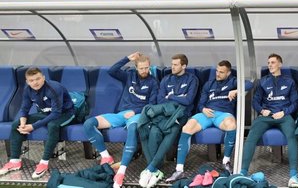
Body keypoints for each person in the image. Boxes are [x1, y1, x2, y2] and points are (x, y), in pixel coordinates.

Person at [166, 60, 254, 183]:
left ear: (228, 73)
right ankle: (179, 170)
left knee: (232, 125)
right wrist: (203, 109)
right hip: (207, 113)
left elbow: (249, 84)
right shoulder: (209, 84)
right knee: (186, 128)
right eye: (217, 71)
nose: (218, 74)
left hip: (223, 114)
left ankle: (226, 161)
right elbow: (201, 103)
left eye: (221, 72)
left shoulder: (233, 81)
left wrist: (237, 90)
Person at [83, 52, 159, 188]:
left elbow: (152, 105)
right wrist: (127, 59)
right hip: (121, 114)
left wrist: (135, 111)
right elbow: (112, 70)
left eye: (147, 68)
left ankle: (121, 171)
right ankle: (106, 156)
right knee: (89, 123)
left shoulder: (153, 82)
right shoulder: (129, 76)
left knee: (133, 128)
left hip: (138, 115)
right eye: (141, 68)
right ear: (136, 67)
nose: (144, 71)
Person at [0, 67, 75, 179]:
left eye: (38, 79)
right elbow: (24, 109)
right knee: (16, 124)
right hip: (46, 113)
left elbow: (55, 114)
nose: (35, 82)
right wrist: (23, 123)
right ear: (27, 82)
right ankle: (15, 161)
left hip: (65, 114)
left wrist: (33, 126)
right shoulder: (28, 90)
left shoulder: (54, 88)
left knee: (52, 125)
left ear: (43, 78)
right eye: (31, 80)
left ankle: (44, 163)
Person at [240, 53, 298, 188]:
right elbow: (255, 101)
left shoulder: (289, 81)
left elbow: (295, 103)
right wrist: (262, 110)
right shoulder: (263, 81)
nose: (270, 65)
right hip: (266, 115)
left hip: (283, 115)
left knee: (292, 136)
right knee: (251, 137)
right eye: (268, 63)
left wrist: (284, 112)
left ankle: (293, 175)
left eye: (273, 62)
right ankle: (242, 172)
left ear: (280, 64)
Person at [138, 54, 199, 187]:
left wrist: (170, 96)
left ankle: (150, 169)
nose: (172, 67)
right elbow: (160, 100)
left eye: (176, 65)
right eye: (172, 64)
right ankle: (155, 170)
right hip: (164, 113)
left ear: (184, 66)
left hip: (180, 115)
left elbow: (188, 100)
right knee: (154, 130)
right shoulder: (166, 79)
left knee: (172, 129)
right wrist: (178, 97)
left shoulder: (192, 79)